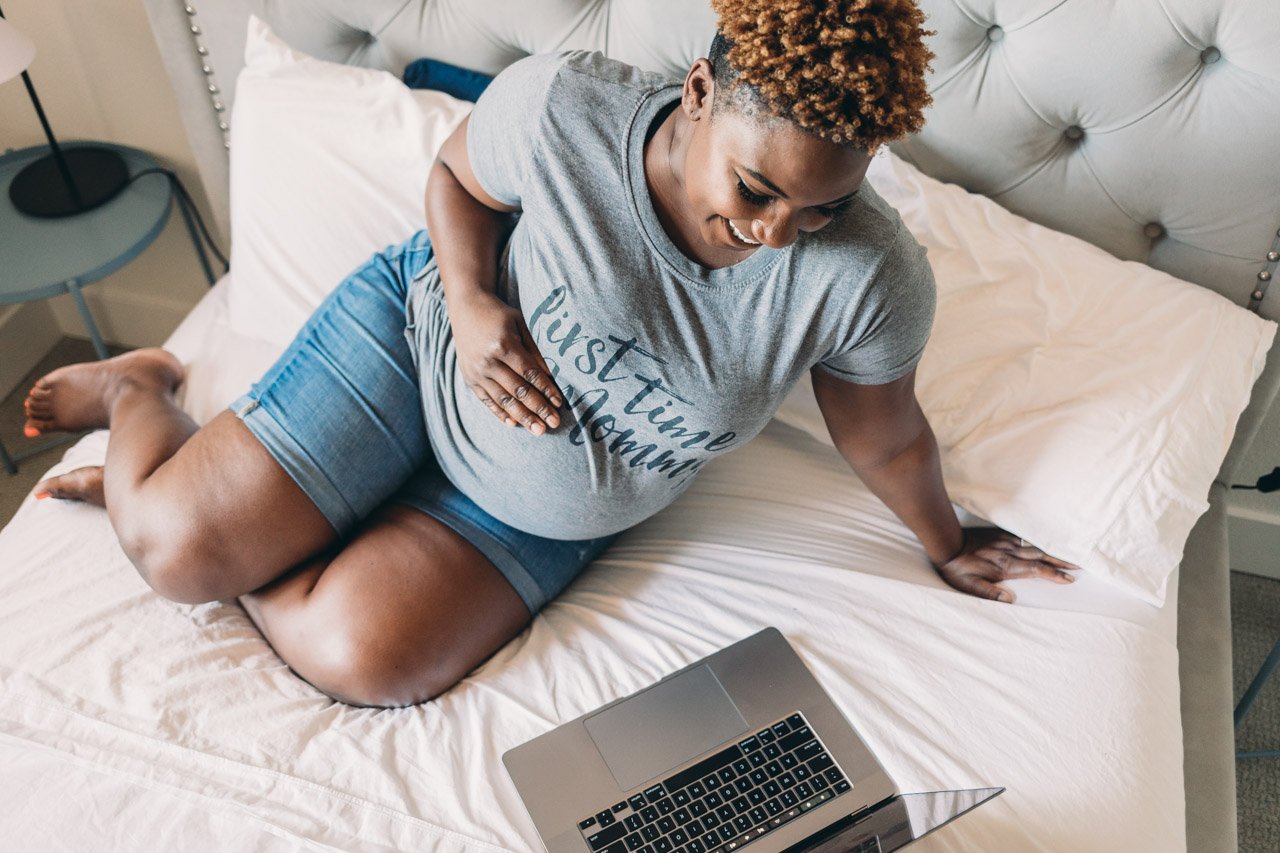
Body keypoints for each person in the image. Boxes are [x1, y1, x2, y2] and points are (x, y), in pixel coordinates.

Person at [21, 0, 1077, 708]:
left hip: (522, 512)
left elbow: (884, 436)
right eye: (754, 190)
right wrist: (476, 306)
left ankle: (293, 517)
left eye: (821, 206)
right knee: (174, 551)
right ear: (701, 93)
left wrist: (945, 538)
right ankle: (140, 389)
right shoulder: (569, 106)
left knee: (367, 659)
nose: (772, 233)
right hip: (421, 347)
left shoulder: (868, 278)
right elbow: (457, 179)